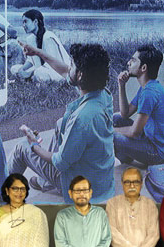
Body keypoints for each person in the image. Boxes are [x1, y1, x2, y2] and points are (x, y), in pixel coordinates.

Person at [9, 43, 114, 201]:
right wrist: (38, 52)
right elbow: (65, 71)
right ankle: (46, 181)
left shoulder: (82, 118)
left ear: (80, 75)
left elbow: (59, 162)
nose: (68, 67)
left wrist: (34, 145)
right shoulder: (103, 94)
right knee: (60, 124)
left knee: (21, 148)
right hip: (100, 181)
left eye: (72, 65)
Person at [114, 45, 164, 166]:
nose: (128, 63)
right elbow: (125, 113)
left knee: (110, 135)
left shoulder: (149, 93)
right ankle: (126, 155)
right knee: (116, 119)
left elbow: (134, 132)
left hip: (161, 155)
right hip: (152, 140)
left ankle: (122, 156)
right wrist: (121, 85)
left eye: (133, 60)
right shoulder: (147, 87)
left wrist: (109, 131)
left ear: (143, 68)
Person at [12, 9, 70, 82]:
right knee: (14, 69)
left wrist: (30, 73)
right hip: (41, 69)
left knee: (39, 73)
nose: (23, 25)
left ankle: (30, 78)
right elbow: (31, 60)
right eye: (23, 22)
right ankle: (31, 78)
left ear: (35, 22)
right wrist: (22, 69)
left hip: (60, 72)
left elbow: (52, 63)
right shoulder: (30, 39)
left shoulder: (48, 37)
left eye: (26, 21)